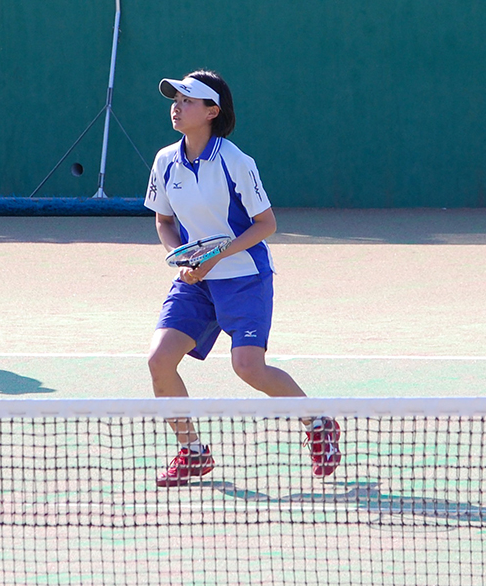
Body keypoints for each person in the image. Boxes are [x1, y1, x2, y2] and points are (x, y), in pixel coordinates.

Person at [143, 70, 339, 487]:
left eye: (188, 100)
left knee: (248, 367)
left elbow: (265, 224)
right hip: (195, 280)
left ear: (212, 111)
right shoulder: (164, 161)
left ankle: (318, 422)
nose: (177, 106)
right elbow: (163, 220)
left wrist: (214, 257)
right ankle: (192, 452)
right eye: (174, 99)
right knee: (159, 360)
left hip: (244, 276)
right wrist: (179, 258)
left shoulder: (235, 161)